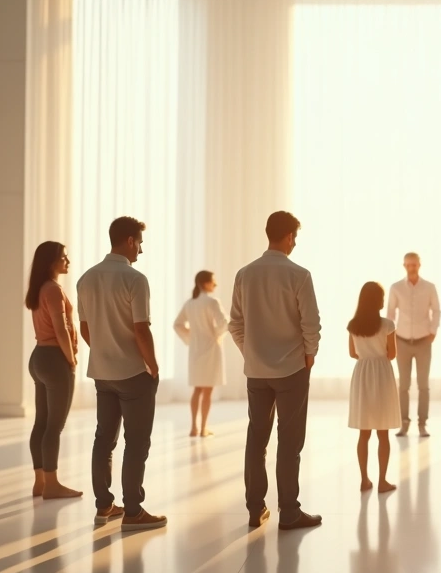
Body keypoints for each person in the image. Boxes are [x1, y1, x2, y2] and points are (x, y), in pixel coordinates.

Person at [229, 211, 323, 530]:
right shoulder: (299, 275)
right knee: (289, 441)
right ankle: (290, 511)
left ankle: (255, 508)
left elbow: (236, 324)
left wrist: (250, 352)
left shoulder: (245, 274)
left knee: (257, 438)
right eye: (294, 237)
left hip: (256, 371)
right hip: (292, 369)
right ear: (288, 237)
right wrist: (309, 356)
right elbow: (311, 323)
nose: (294, 242)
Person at [78, 216, 165, 531]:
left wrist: (104, 351)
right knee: (137, 442)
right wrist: (152, 366)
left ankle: (104, 506)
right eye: (140, 242)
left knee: (104, 439)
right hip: (132, 373)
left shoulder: (86, 279)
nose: (141, 249)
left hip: (102, 373)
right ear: (129, 240)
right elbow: (141, 330)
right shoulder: (135, 279)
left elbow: (86, 329)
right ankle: (133, 511)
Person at [25, 241, 82, 500]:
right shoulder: (54, 290)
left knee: (42, 423)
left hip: (38, 358)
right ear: (51, 262)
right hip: (54, 360)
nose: (68, 262)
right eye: (64, 258)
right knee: (54, 427)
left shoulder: (39, 288)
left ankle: (40, 482)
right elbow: (61, 329)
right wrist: (70, 359)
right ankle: (52, 484)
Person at [347, 282, 400, 494]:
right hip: (382, 374)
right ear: (379, 300)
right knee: (383, 432)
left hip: (362, 374)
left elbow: (352, 353)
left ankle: (364, 479)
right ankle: (383, 481)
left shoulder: (353, 325)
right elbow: (392, 354)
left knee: (364, 432)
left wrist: (365, 355)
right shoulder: (388, 324)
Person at [387, 253, 440, 438]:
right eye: (408, 264)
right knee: (403, 385)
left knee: (423, 385)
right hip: (401, 341)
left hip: (424, 340)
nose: (412, 267)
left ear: (419, 264)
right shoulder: (396, 288)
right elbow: (390, 314)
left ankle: (422, 424)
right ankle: (404, 423)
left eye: (414, 264)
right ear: (404, 265)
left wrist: (433, 332)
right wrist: (389, 338)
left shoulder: (429, 287)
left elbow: (436, 310)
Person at [174, 270, 229, 437]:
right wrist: (216, 334)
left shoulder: (190, 303)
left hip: (196, 349)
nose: (215, 285)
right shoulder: (212, 301)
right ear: (204, 283)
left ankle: (193, 428)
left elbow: (177, 324)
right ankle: (204, 427)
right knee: (207, 391)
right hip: (211, 349)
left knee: (197, 389)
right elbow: (224, 322)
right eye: (213, 281)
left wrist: (192, 335)